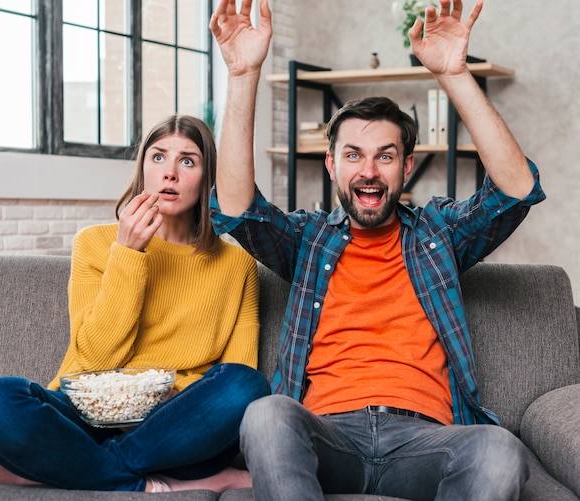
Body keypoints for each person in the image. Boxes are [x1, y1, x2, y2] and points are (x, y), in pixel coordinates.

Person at [209, 0, 545, 499]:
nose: (369, 171)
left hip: (425, 439)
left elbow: (516, 190)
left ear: (406, 168)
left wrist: (453, 73)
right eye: (353, 155)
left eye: (385, 156)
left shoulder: (437, 236)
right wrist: (242, 75)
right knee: (266, 414)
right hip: (328, 437)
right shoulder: (309, 239)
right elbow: (237, 208)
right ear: (331, 165)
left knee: (500, 449)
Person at [0, 115, 270, 493]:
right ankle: (152, 484)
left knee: (246, 386)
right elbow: (93, 360)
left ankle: (61, 464)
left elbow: (238, 373)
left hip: (174, 422)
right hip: (89, 413)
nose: (169, 173)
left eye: (187, 161)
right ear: (143, 169)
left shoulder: (236, 264)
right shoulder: (94, 243)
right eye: (158, 158)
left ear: (208, 178)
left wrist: (167, 401)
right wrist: (127, 253)